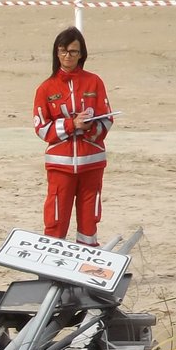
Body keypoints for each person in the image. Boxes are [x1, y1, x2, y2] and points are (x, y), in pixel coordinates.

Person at [33, 26, 113, 248]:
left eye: (73, 51)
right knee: (55, 219)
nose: (68, 56)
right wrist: (71, 124)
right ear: (56, 54)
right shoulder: (45, 88)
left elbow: (107, 120)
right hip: (60, 167)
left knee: (90, 220)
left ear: (82, 54)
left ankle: (86, 267)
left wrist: (88, 127)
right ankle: (50, 266)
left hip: (92, 164)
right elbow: (41, 128)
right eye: (63, 51)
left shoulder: (94, 82)